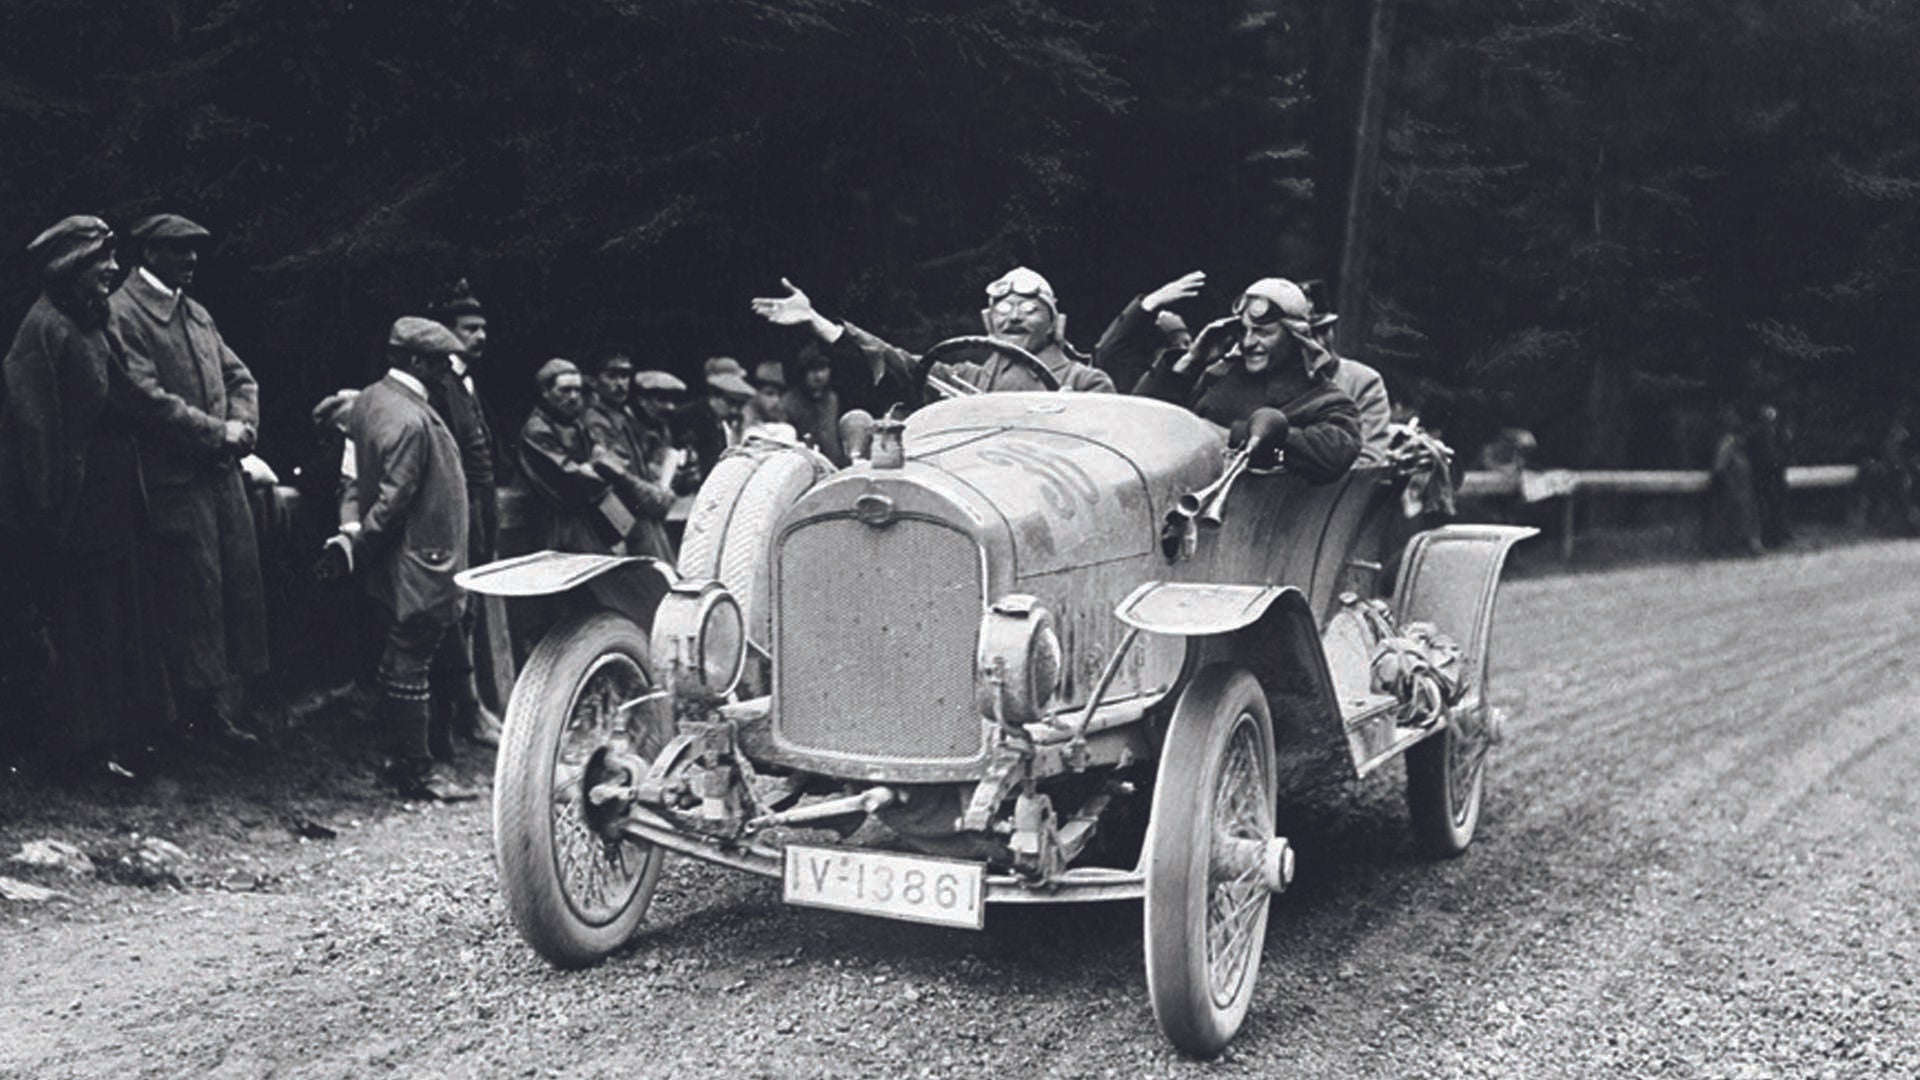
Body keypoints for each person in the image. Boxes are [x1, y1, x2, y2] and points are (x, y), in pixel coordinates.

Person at [0, 215, 203, 771]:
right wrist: (46, 517)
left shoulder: (91, 321)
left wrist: (201, 432)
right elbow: (35, 432)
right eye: (101, 262)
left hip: (112, 502)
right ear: (71, 269)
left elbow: (131, 398)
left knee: (117, 617)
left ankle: (118, 738)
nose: (113, 270)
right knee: (82, 622)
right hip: (71, 511)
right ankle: (78, 748)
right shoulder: (43, 332)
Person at [106, 213, 268, 747]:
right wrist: (214, 433)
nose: (192, 259)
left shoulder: (195, 312)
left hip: (219, 478)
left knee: (231, 592)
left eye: (195, 250)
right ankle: (187, 721)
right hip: (172, 483)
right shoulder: (124, 312)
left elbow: (240, 375)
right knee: (187, 600)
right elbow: (144, 398)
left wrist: (242, 426)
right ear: (149, 253)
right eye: (179, 250)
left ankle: (222, 712)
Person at [314, 317, 477, 802]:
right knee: (410, 659)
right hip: (423, 561)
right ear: (413, 361)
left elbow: (352, 479)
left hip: (404, 561)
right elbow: (392, 499)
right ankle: (417, 770)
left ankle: (405, 760)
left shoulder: (369, 401)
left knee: (404, 658)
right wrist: (359, 545)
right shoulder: (409, 418)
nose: (447, 370)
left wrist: (349, 531)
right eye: (438, 362)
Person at [750, 267, 1117, 404]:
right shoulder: (966, 380)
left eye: (1029, 309)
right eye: (1004, 310)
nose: (1015, 318)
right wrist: (817, 321)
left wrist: (1076, 414)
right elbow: (898, 363)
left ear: (1053, 323)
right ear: (990, 324)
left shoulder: (1085, 382)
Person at [1134, 277, 1361, 485]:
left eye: (1263, 332)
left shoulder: (1324, 399)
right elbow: (1141, 422)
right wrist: (1190, 362)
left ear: (1296, 337)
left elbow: (1335, 456)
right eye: (1243, 331)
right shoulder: (1215, 379)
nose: (1249, 342)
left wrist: (1235, 435)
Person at [426, 280, 507, 741]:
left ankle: (467, 710)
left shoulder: (466, 381)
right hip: (457, 507)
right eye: (469, 329)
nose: (479, 336)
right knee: (455, 606)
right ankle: (460, 712)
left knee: (471, 605)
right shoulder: (441, 383)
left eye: (482, 328)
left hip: (481, 506)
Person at [582, 347, 681, 561]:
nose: (620, 384)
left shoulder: (623, 417)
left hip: (639, 515)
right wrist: (655, 497)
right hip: (620, 520)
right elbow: (616, 475)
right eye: (612, 376)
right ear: (591, 381)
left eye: (625, 376)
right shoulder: (595, 422)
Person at [518, 358, 624, 554]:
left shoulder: (575, 422)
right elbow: (572, 475)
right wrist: (601, 467)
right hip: (558, 524)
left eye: (577, 390)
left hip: (588, 517)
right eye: (565, 390)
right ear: (545, 392)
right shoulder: (537, 430)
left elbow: (605, 456)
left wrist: (600, 462)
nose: (574, 396)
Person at [1093, 270, 1206, 395]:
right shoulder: (1131, 377)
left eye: (1188, 343)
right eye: (1173, 346)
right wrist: (1150, 303)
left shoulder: (1198, 381)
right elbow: (1109, 350)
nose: (1185, 350)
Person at [780, 346, 846, 465]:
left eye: (823, 369)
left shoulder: (832, 399)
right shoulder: (789, 402)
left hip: (833, 463)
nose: (819, 376)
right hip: (802, 463)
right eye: (812, 370)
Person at [1749, 403, 1793, 548]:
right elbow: (1764, 456)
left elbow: (1784, 453)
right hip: (1764, 476)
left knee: (1777, 506)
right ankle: (1770, 537)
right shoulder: (1757, 434)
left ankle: (1778, 536)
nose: (1770, 422)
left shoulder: (1778, 434)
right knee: (1767, 507)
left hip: (1776, 476)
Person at [743, 360, 788, 432]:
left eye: (779, 395)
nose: (776, 400)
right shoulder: (744, 419)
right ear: (754, 393)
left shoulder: (779, 418)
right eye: (769, 394)